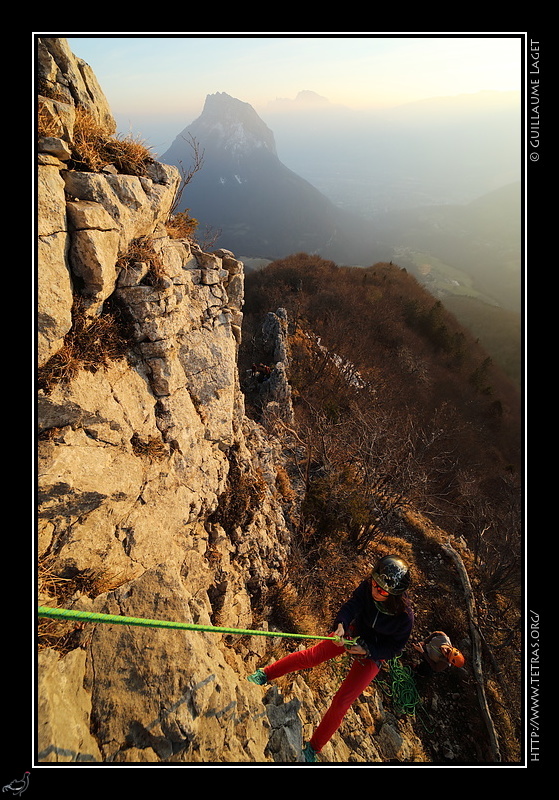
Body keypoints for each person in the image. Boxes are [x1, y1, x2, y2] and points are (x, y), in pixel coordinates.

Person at [247, 555, 414, 762]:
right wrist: (340, 625)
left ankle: (313, 748)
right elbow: (351, 607)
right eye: (374, 583)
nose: (374, 591)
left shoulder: (404, 618)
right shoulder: (368, 588)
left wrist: (369, 650)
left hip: (373, 653)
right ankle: (265, 674)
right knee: (312, 657)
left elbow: (394, 648)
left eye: (381, 590)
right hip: (353, 633)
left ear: (394, 595)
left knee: (342, 701)